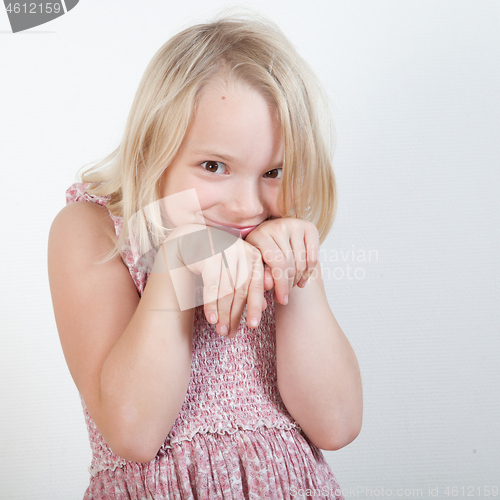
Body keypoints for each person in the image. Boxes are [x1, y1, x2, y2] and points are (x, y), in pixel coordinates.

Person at [48, 10, 363, 499]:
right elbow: (134, 433)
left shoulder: (273, 233)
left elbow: (337, 424)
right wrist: (176, 262)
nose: (246, 204)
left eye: (274, 172)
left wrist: (296, 276)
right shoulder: (94, 231)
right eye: (215, 166)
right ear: (153, 150)